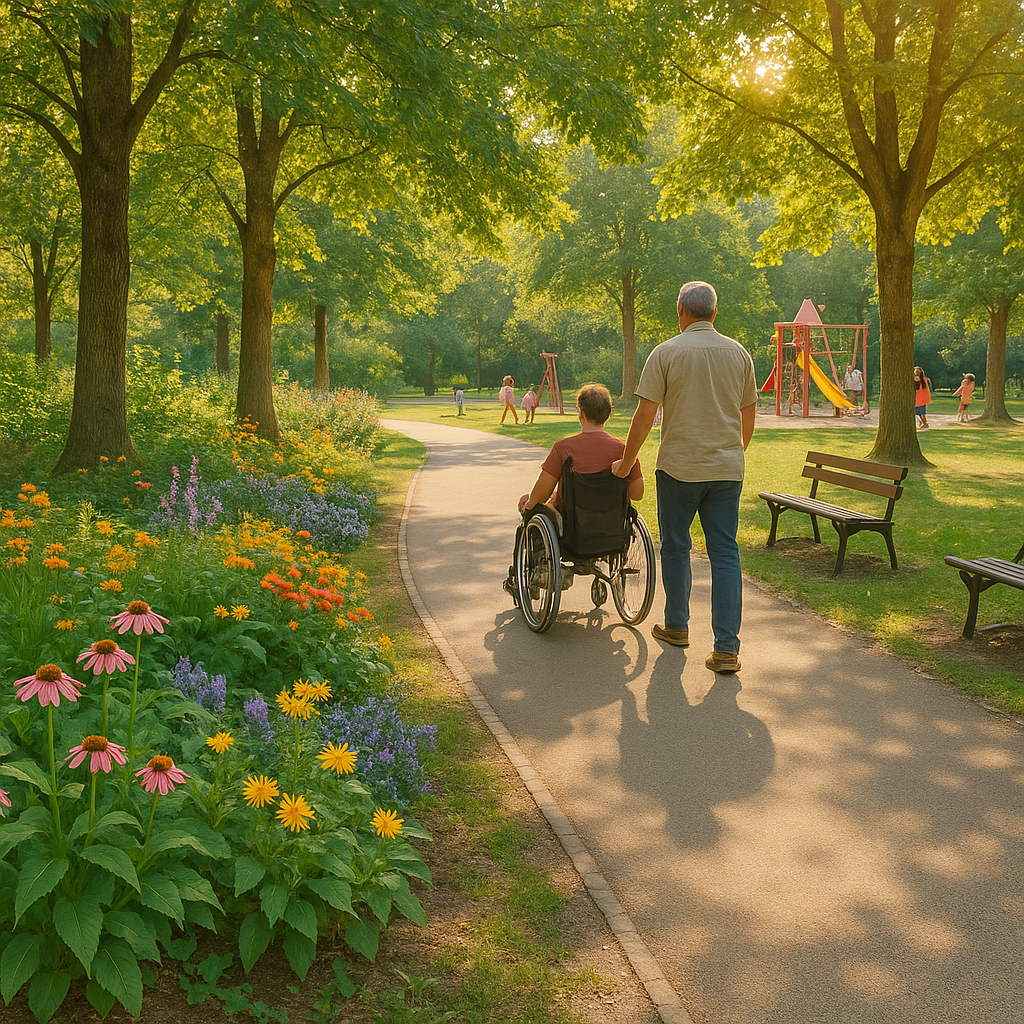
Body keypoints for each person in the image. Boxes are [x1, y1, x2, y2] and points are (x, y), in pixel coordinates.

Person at [613, 281, 756, 673]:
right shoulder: (739, 354)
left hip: (679, 467)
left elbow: (644, 417)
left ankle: (677, 626)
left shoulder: (666, 353)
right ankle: (726, 648)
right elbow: (748, 418)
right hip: (726, 470)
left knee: (676, 547)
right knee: (725, 553)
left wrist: (625, 465)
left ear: (681, 311)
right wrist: (730, 454)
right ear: (714, 312)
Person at [504, 383, 644, 600]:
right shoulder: (624, 452)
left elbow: (541, 494)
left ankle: (525, 577)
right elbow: (637, 494)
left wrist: (528, 505)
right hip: (612, 532)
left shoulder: (564, 449)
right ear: (609, 413)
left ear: (581, 412)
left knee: (530, 506)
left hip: (571, 533)